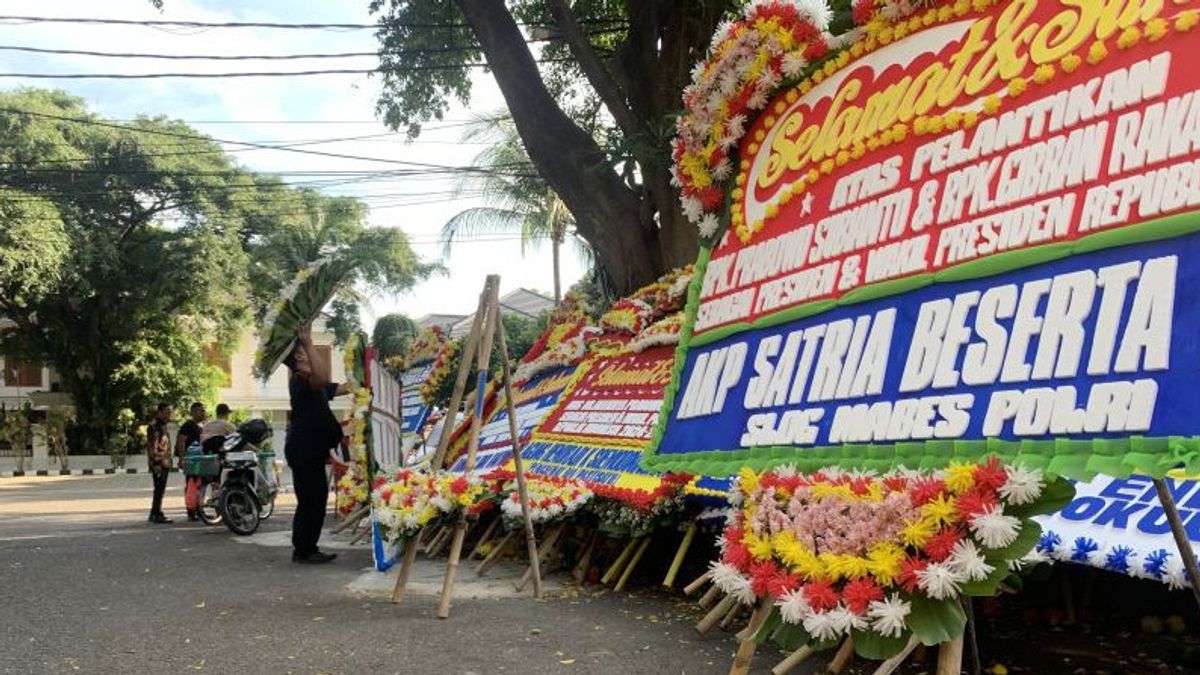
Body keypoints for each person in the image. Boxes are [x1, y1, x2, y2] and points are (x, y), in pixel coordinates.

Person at [283, 324, 350, 564]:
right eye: (303, 353)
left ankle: (305, 547)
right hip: (304, 451)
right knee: (312, 499)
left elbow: (341, 387)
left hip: (310, 450)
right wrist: (309, 343)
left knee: (314, 498)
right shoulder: (302, 381)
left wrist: (362, 372)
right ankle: (304, 550)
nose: (309, 356)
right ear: (297, 361)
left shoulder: (314, 384)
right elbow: (322, 378)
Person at [176, 402, 206, 521]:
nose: (203, 413)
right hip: (192, 460)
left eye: (204, 410)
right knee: (192, 483)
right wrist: (182, 458)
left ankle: (199, 509)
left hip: (201, 459)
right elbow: (181, 441)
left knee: (201, 484)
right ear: (193, 412)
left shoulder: (203, 425)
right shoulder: (188, 425)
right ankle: (191, 510)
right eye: (200, 410)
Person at [146, 403, 174, 524]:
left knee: (160, 489)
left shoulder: (162, 425)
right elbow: (153, 446)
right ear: (160, 412)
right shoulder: (155, 426)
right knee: (158, 489)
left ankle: (156, 512)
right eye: (167, 412)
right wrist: (156, 462)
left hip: (164, 461)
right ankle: (156, 513)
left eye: (170, 412)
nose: (169, 415)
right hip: (159, 462)